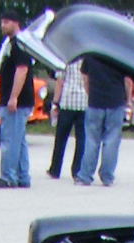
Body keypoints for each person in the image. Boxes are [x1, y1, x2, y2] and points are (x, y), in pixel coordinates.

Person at [0, 13, 32, 188]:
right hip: (12, 99)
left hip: (16, 101)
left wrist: (13, 97)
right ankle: (22, 176)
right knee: (19, 140)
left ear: (16, 23)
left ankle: (8, 177)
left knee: (10, 139)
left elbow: (22, 70)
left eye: (6, 22)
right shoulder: (12, 43)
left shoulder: (20, 44)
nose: (3, 25)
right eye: (1, 22)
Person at [75, 52, 122, 187]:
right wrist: (128, 99)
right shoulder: (119, 54)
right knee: (111, 141)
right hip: (115, 100)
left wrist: (90, 93)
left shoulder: (92, 54)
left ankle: (85, 175)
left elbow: (85, 77)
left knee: (91, 140)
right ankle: (107, 176)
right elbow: (127, 81)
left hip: (95, 101)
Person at [46, 46, 81, 179]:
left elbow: (60, 82)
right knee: (82, 139)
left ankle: (55, 169)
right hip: (83, 102)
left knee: (61, 138)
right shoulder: (87, 58)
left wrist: (55, 102)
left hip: (67, 101)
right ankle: (77, 170)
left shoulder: (66, 58)